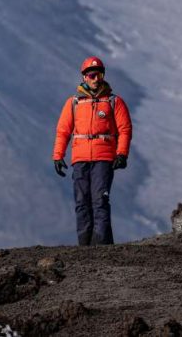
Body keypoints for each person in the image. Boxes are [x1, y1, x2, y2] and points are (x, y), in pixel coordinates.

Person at [51, 56, 132, 245]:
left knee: (99, 200)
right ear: (85, 77)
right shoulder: (74, 103)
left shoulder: (113, 102)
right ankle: (85, 247)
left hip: (104, 159)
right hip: (80, 159)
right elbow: (63, 131)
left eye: (100, 75)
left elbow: (125, 129)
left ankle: (100, 246)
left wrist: (121, 154)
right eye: (93, 75)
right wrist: (58, 155)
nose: (97, 79)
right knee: (82, 202)